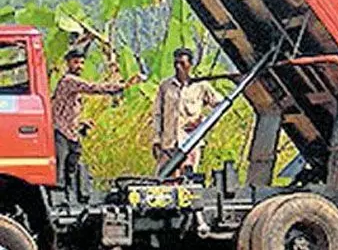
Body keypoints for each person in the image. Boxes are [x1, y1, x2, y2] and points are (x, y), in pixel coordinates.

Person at [52, 49, 140, 195]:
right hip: (62, 131)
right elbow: (93, 88)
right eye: (76, 62)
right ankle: (61, 195)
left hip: (70, 131)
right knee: (62, 167)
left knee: (73, 162)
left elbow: (68, 110)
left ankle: (70, 193)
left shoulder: (72, 84)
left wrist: (82, 122)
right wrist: (123, 86)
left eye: (81, 63)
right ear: (68, 63)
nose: (79, 66)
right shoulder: (69, 81)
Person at [152, 47, 222, 176]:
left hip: (190, 142)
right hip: (168, 144)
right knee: (164, 179)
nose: (178, 67)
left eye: (182, 64)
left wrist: (203, 121)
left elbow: (221, 105)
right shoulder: (166, 86)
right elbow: (158, 115)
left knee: (187, 181)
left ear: (190, 65)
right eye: (176, 64)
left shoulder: (201, 86)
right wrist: (156, 140)